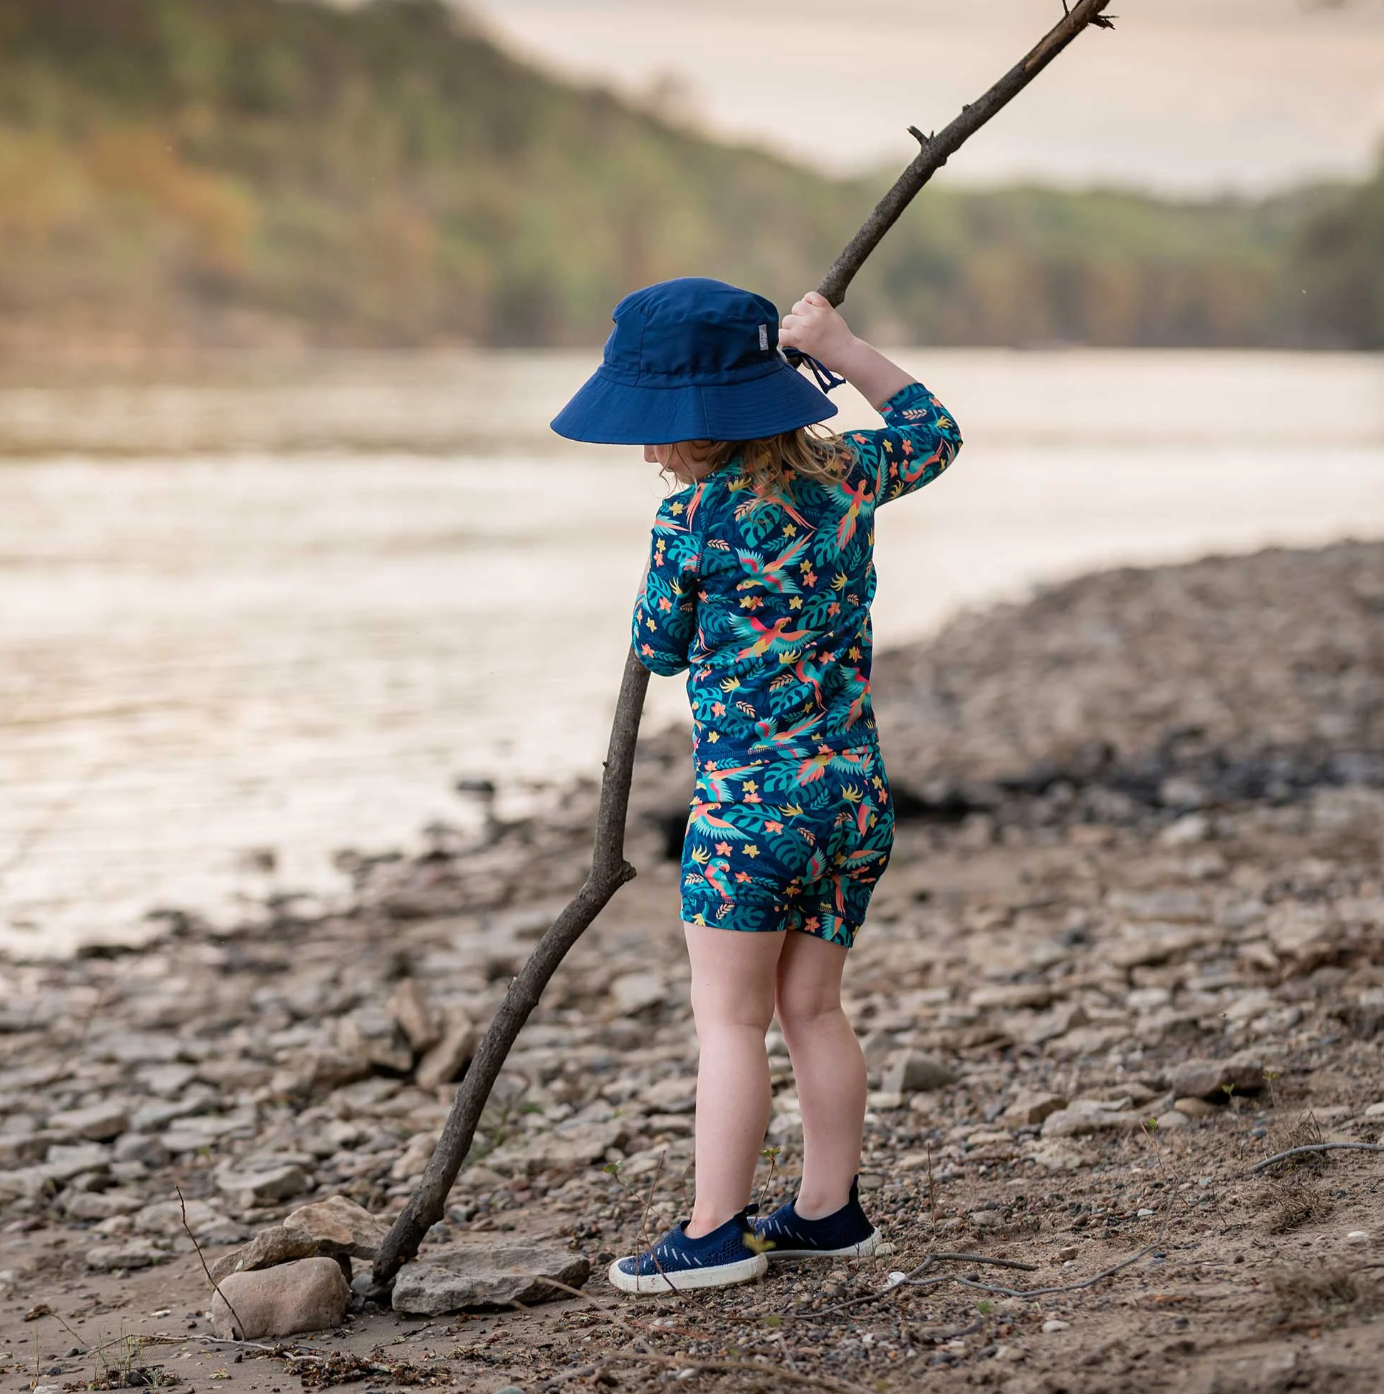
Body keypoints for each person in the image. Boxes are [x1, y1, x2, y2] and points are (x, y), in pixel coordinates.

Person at [551, 277, 963, 1293]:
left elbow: (661, 648)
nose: (649, 453)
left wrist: (677, 579)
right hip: (852, 799)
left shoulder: (689, 520)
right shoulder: (851, 474)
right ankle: (828, 1210)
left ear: (702, 424)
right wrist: (844, 343)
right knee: (813, 1008)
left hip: (748, 815)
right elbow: (935, 428)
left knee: (728, 1019)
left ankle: (712, 1232)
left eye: (659, 433)